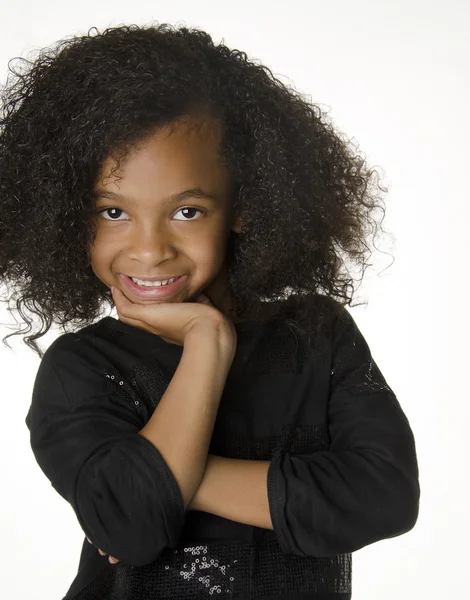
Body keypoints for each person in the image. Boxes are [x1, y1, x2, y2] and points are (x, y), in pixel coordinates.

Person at [0, 23, 420, 600]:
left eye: (188, 211)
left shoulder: (315, 336)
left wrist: (175, 479)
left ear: (244, 206)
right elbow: (134, 527)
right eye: (114, 213)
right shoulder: (82, 369)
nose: (149, 249)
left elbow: (385, 500)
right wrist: (206, 342)